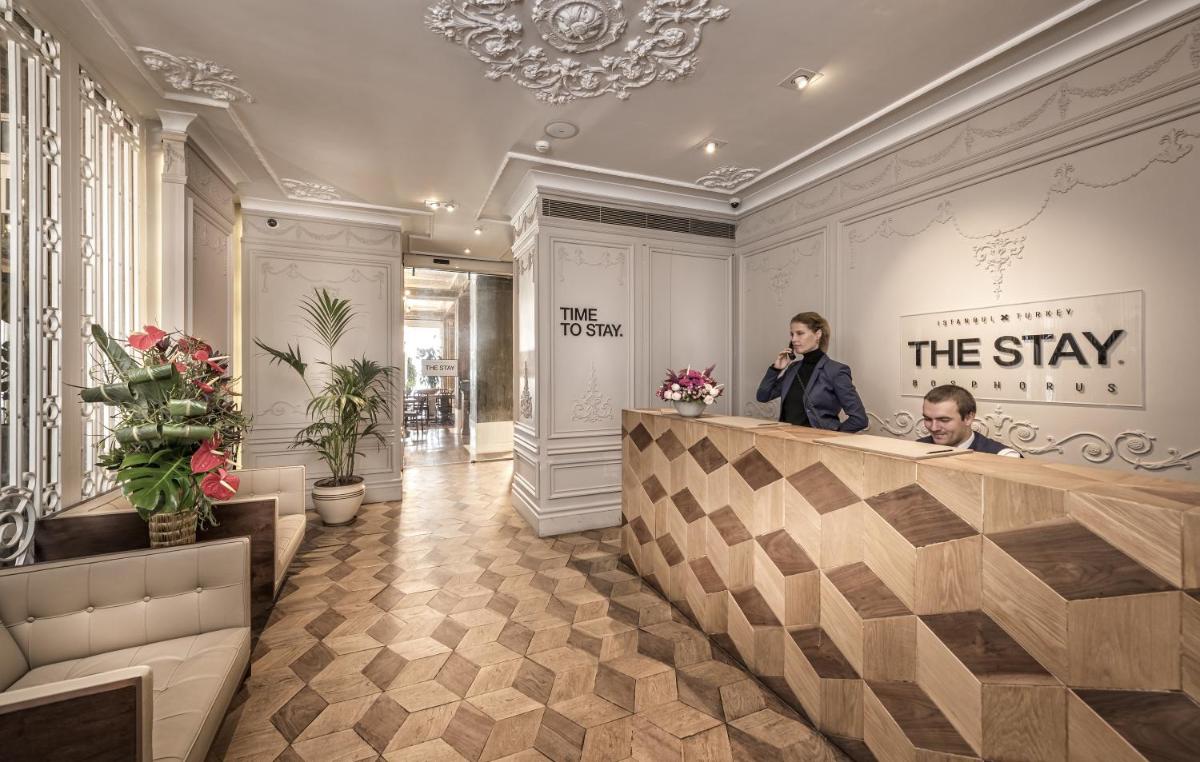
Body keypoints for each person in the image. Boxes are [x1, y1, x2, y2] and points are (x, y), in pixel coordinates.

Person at [756, 311, 867, 432]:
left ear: (818, 334)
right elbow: (763, 396)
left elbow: (859, 419)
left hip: (813, 442)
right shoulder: (793, 368)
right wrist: (776, 369)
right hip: (786, 439)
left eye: (800, 333)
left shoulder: (835, 371)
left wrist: (831, 437)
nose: (794, 339)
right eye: (792, 334)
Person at [918, 385, 1021, 457]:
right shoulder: (916, 448)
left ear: (968, 418)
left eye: (944, 420)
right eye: (928, 419)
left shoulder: (1004, 457)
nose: (934, 428)